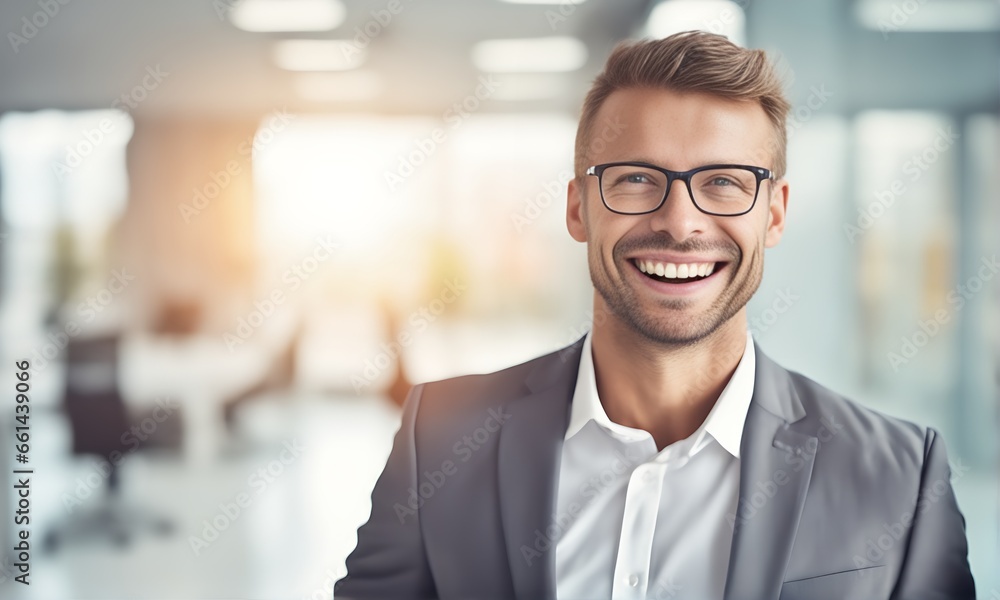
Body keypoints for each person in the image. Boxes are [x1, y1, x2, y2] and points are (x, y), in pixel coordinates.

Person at [334, 31, 975, 600]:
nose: (680, 221)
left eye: (724, 181)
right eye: (638, 179)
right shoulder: (441, 439)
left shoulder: (900, 477)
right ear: (579, 207)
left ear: (774, 213)